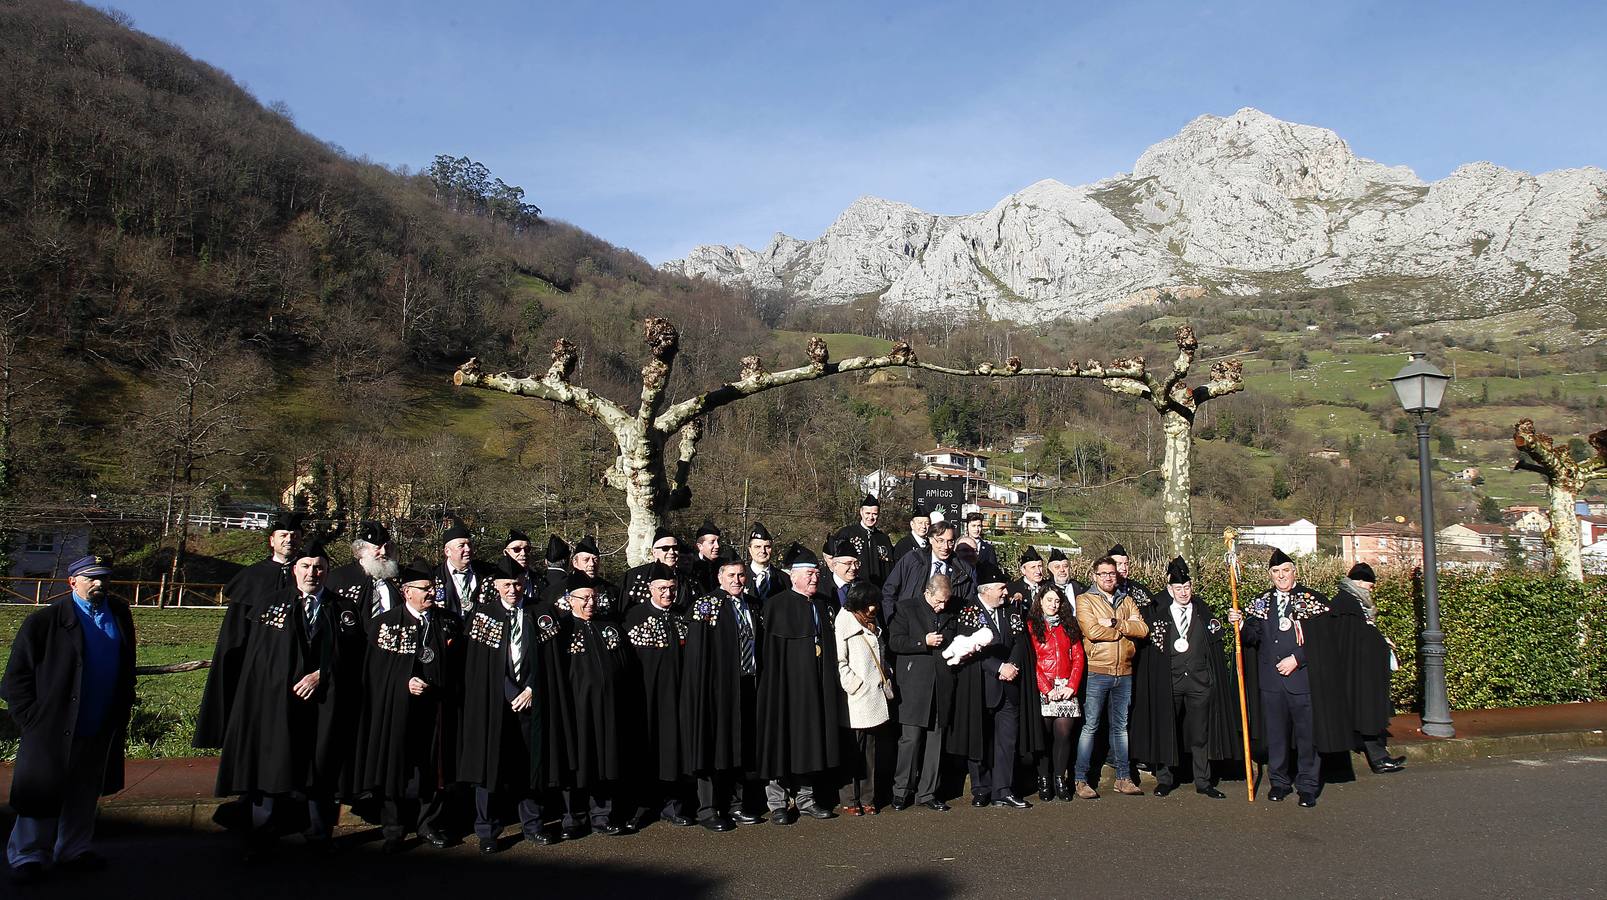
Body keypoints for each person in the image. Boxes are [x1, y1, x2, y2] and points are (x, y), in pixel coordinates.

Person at [3, 555, 135, 885]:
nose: (100, 583)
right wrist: (31, 718)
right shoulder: (44, 622)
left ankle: (73, 849)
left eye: (104, 577)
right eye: (91, 577)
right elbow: (16, 678)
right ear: (72, 582)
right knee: (41, 791)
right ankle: (29, 854)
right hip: (52, 726)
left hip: (99, 722)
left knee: (84, 791)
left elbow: (126, 665)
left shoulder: (119, 615)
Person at [215, 539, 350, 855]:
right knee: (271, 760)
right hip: (277, 701)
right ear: (294, 570)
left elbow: (351, 656)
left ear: (327, 571)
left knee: (319, 765)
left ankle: (319, 831)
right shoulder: (270, 606)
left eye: (319, 567)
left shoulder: (342, 609)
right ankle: (264, 827)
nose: (312, 573)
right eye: (305, 566)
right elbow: (259, 660)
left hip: (323, 702)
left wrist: (322, 674)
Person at [352, 557, 455, 852]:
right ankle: (394, 829)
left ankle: (427, 824)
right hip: (396, 710)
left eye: (433, 588)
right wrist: (402, 682)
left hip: (436, 709)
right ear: (407, 591)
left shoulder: (446, 622)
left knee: (433, 769)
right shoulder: (384, 625)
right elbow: (373, 672)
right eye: (424, 589)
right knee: (395, 766)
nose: (431, 593)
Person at [456, 556, 552, 851]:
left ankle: (533, 825)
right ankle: (487, 831)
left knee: (529, 765)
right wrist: (511, 692)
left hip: (532, 703)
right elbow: (479, 667)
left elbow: (551, 663)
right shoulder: (483, 617)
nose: (513, 589)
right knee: (490, 767)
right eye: (507, 584)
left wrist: (533, 688)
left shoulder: (541, 614)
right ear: (496, 585)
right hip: (494, 705)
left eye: (518, 583)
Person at [1130, 557, 1239, 799]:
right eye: (1178, 588)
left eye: (1187, 587)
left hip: (1199, 683)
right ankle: (1165, 779)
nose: (1183, 592)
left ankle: (1203, 781)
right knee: (1167, 728)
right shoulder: (1156, 612)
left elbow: (1216, 639)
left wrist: (1233, 623)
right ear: (1170, 589)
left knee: (1200, 734)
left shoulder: (1202, 610)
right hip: (1169, 681)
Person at [1228, 548, 1327, 808]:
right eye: (1275, 572)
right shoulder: (1261, 602)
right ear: (1270, 575)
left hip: (1301, 679)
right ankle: (1279, 782)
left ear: (1295, 572)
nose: (1281, 576)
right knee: (1276, 735)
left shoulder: (1311, 600)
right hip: (1271, 682)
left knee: (1307, 735)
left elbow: (1323, 639)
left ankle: (1307, 785)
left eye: (1285, 571)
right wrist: (1239, 625)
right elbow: (1251, 638)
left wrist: (1298, 658)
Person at [195, 510, 302, 750]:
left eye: (295, 535)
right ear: (271, 540)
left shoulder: (310, 572)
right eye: (283, 535)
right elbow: (236, 630)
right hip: (258, 661)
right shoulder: (252, 576)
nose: (289, 539)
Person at [757, 544, 844, 823]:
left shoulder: (822, 604)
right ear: (793, 576)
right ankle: (778, 802)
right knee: (781, 742)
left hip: (815, 687)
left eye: (817, 574)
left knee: (809, 742)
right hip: (784, 689)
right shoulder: (776, 606)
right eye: (808, 574)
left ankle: (806, 798)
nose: (814, 579)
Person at [683, 549, 764, 831]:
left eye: (741, 575)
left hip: (746, 684)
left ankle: (737, 804)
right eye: (731, 575)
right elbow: (696, 654)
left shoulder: (753, 605)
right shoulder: (706, 605)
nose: (737, 580)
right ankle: (708, 808)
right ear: (720, 577)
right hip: (715, 688)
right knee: (713, 744)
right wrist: (701, 689)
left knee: (740, 745)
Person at [947, 561, 1030, 809]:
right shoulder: (970, 612)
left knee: (1007, 740)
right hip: (981, 685)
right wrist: (997, 668)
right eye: (1001, 588)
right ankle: (981, 787)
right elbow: (969, 650)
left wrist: (1012, 666)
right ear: (986, 590)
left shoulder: (1010, 610)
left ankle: (1002, 789)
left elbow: (1019, 640)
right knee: (979, 738)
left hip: (1009, 684)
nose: (1006, 592)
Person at [557, 574, 630, 840]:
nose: (590, 603)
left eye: (593, 597)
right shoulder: (562, 630)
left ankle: (602, 815)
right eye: (584, 598)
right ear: (570, 600)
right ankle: (573, 817)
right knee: (578, 762)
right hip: (575, 710)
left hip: (607, 707)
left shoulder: (608, 627)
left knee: (604, 758)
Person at [622, 563, 694, 830]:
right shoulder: (634, 617)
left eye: (672, 589)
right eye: (662, 588)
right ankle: (640, 806)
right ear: (650, 589)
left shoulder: (680, 617)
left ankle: (672, 806)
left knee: (674, 752)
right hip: (645, 698)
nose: (667, 594)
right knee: (644, 752)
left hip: (676, 698)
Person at [1072, 556, 1148, 800]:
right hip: (1098, 670)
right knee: (1091, 726)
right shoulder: (1085, 600)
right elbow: (1092, 631)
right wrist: (1125, 630)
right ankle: (1081, 779)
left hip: (1124, 672)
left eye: (1111, 573)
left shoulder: (1126, 600)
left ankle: (1124, 778)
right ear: (1094, 575)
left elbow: (1143, 629)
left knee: (1120, 728)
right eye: (1103, 573)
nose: (1108, 577)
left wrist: (1115, 622)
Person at [1316, 563, 1403, 774]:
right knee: (1366, 714)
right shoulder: (1348, 605)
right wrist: (1381, 644)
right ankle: (1379, 759)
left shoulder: (1350, 603)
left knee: (1364, 714)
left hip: (1358, 671)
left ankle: (1379, 757)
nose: (1371, 590)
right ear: (1362, 582)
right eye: (1371, 585)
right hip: (1357, 673)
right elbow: (1356, 639)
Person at [889, 575, 959, 812]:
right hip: (914, 684)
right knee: (910, 739)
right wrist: (922, 641)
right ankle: (901, 791)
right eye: (939, 601)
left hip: (941, 683)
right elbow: (895, 642)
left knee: (935, 740)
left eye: (946, 602)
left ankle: (928, 792)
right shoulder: (906, 608)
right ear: (928, 593)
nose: (942, 607)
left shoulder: (950, 610)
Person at [1019, 585, 1084, 803]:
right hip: (1042, 687)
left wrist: (1071, 686)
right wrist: (1046, 688)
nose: (1053, 605)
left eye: (1057, 601)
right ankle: (1044, 778)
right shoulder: (1031, 625)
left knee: (1064, 734)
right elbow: (1032, 660)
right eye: (1049, 601)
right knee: (1043, 735)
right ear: (1040, 601)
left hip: (1066, 686)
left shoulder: (1069, 625)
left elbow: (1078, 656)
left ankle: (1059, 778)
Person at [834, 583, 895, 815]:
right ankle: (850, 798)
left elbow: (880, 651)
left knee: (871, 750)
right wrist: (855, 685)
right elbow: (840, 661)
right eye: (869, 602)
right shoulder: (844, 621)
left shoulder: (872, 620)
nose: (874, 607)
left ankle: (868, 797)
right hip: (856, 697)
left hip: (874, 693)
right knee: (853, 750)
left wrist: (887, 672)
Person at [882, 520, 975, 623]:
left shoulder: (963, 570)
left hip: (945, 627)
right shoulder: (913, 559)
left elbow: (967, 604)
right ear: (930, 539)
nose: (946, 547)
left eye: (950, 541)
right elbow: (889, 591)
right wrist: (892, 621)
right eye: (940, 540)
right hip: (909, 625)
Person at [325, 521, 401, 627]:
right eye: (377, 548)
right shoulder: (339, 578)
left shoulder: (400, 579)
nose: (384, 552)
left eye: (387, 547)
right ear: (362, 550)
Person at [831, 493, 895, 587]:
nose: (871, 517)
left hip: (878, 589)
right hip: (853, 587)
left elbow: (889, 567)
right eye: (868, 513)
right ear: (861, 512)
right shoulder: (847, 533)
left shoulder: (883, 539)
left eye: (874, 514)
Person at [434, 518, 492, 619]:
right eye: (461, 546)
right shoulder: (435, 576)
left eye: (469, 544)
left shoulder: (487, 573)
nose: (468, 549)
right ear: (447, 551)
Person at [623, 528, 691, 612]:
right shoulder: (633, 577)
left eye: (675, 548)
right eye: (665, 548)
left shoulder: (689, 580)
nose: (672, 552)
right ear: (654, 552)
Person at [567, 535, 620, 621]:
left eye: (595, 560)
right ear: (575, 562)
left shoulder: (612, 591)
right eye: (586, 560)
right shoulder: (558, 590)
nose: (591, 564)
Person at [744, 521, 788, 610]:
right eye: (757, 547)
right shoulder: (741, 576)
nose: (763, 551)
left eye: (767, 547)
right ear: (750, 549)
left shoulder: (784, 579)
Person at [501, 529, 540, 601]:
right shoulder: (493, 581)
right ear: (506, 552)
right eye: (516, 549)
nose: (523, 553)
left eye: (527, 549)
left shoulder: (539, 580)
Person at [825, 539, 862, 613]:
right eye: (848, 563)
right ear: (835, 565)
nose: (854, 567)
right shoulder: (823, 589)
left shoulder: (863, 586)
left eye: (856, 563)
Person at [1009, 546, 1051, 611]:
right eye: (1033, 567)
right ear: (1023, 570)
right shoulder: (1012, 588)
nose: (1038, 571)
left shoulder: (1049, 587)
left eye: (1040, 566)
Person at [1045, 548, 1086, 613]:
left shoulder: (1081, 588)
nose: (1062, 570)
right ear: (1049, 571)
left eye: (1065, 566)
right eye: (1057, 567)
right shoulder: (1044, 589)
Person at [691, 520, 723, 593]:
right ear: (700, 546)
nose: (717, 546)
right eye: (712, 542)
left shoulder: (724, 565)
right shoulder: (692, 566)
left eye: (718, 542)